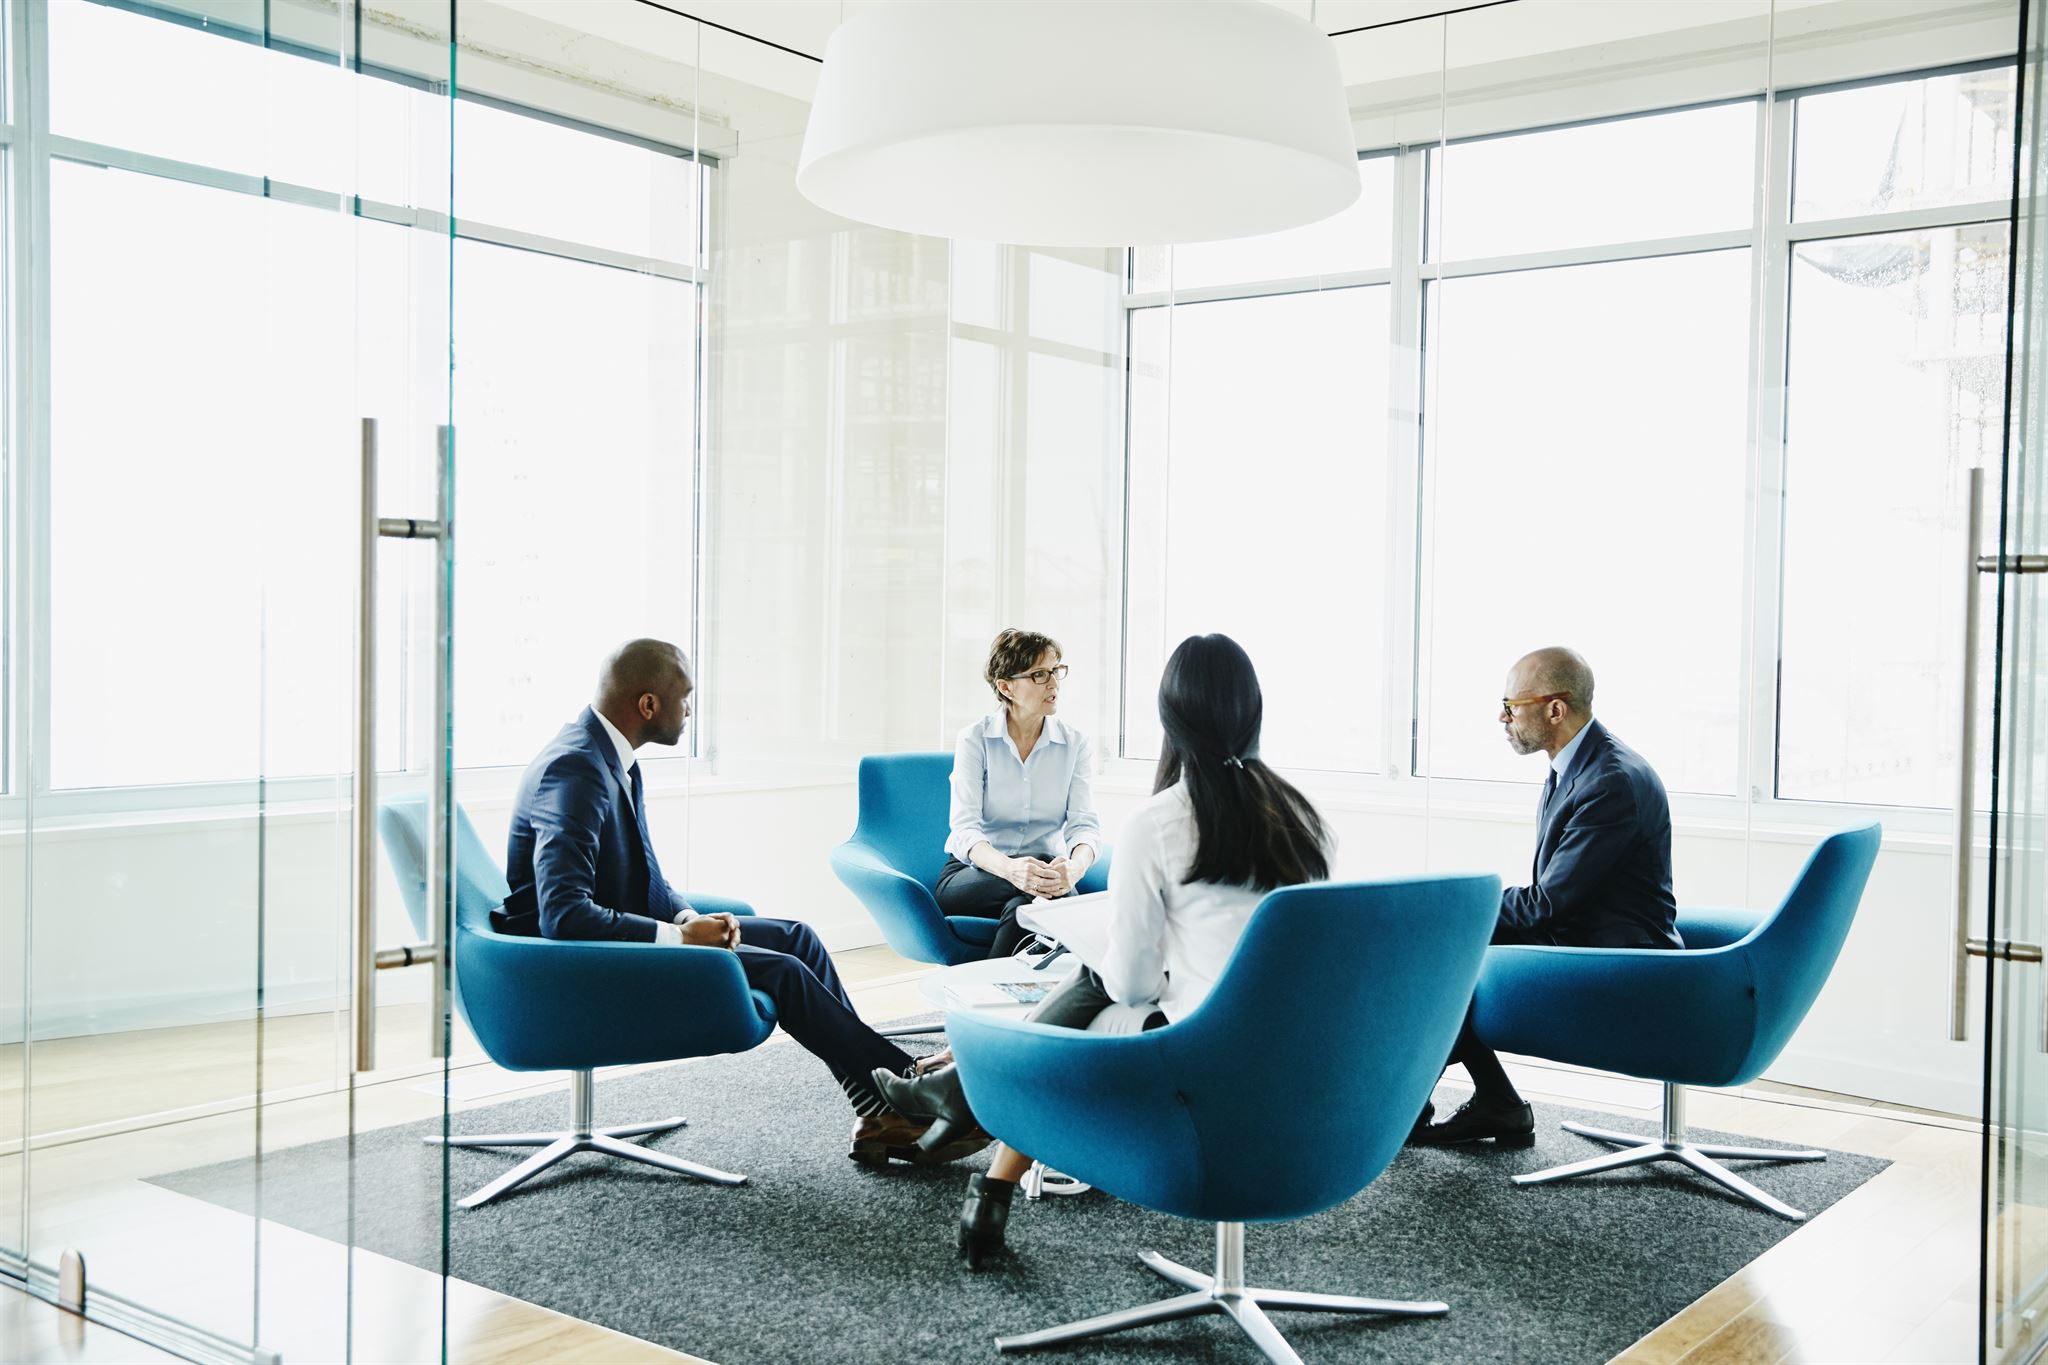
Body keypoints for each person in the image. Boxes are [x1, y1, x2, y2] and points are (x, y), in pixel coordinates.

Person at [875, 633, 1331, 1267]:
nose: (1053, 682)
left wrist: (1097, 922)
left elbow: (1137, 985)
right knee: (1089, 964)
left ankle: (968, 1096)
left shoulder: (1163, 820)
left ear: (1170, 718)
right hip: (1303, 1066)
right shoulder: (1305, 820)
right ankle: (967, 1115)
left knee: (1093, 978)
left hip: (1198, 1058)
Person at [502, 638, 987, 1167]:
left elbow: (642, 874)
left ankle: (879, 1110)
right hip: (577, 966)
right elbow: (564, 914)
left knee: (796, 936)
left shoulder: (611, 757)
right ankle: (910, 1083)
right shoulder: (576, 769)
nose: (690, 712)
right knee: (783, 971)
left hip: (618, 939)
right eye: (684, 699)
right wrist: (680, 938)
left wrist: (687, 916)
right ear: (648, 705)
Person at [1410, 646, 1682, 1148]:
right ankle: (1484, 1102)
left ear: (1555, 709)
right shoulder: (1582, 766)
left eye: (1512, 705)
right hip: (1585, 936)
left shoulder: (1610, 782)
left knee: (1443, 951)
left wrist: (1461, 907)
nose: (1503, 716)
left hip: (1620, 961)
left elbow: (1547, 905)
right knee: (1443, 953)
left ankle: (1410, 1099)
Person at [937, 628, 1102, 959]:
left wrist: (1075, 868)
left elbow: (1083, 825)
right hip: (975, 875)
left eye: (1056, 671)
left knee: (1024, 907)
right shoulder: (975, 739)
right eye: (1039, 675)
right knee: (1047, 894)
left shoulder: (1075, 743)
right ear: (1005, 686)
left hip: (1043, 878)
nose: (1054, 684)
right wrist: (1011, 869)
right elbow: (965, 830)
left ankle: (991, 995)